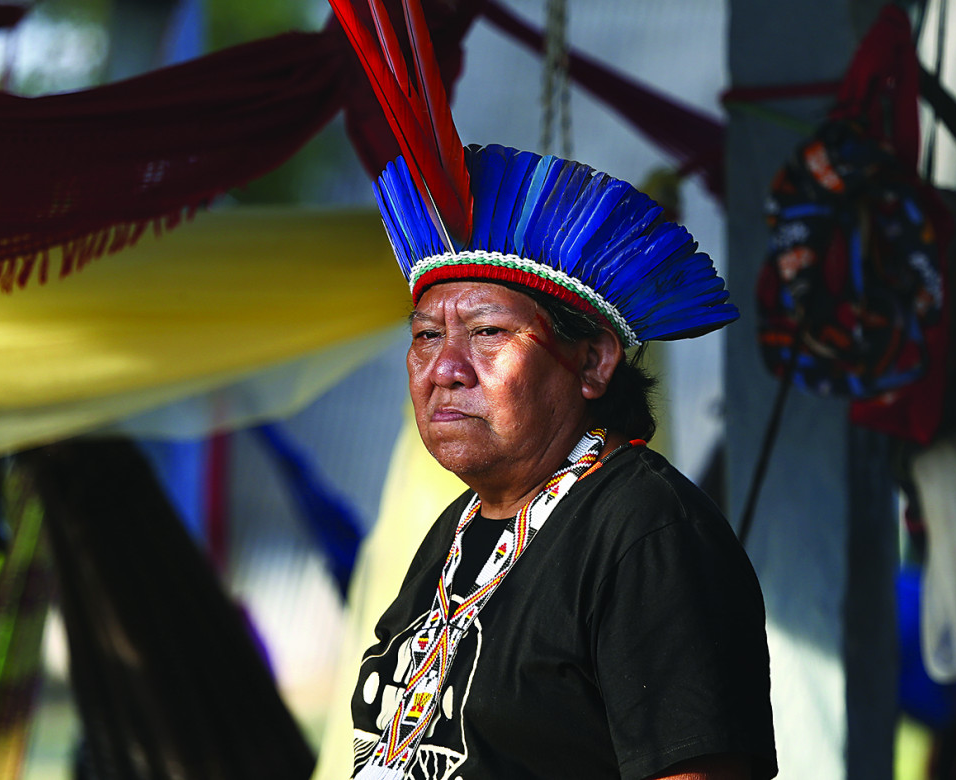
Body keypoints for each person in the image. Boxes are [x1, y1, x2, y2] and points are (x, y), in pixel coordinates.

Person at [328, 4, 776, 778]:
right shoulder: (458, 530)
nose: (445, 367)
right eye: (426, 336)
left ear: (595, 361)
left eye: (489, 333)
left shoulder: (645, 534)